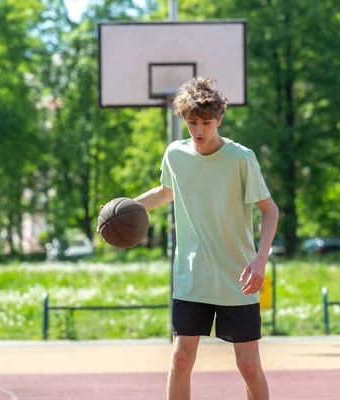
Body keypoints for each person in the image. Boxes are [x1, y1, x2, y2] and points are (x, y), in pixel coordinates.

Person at [135, 76, 278, 400]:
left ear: (219, 119)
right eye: (192, 122)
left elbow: (270, 211)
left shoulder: (241, 158)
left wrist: (260, 260)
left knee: (248, 365)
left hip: (237, 276)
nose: (199, 130)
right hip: (192, 274)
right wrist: (124, 208)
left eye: (206, 122)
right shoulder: (175, 155)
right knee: (181, 357)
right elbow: (165, 192)